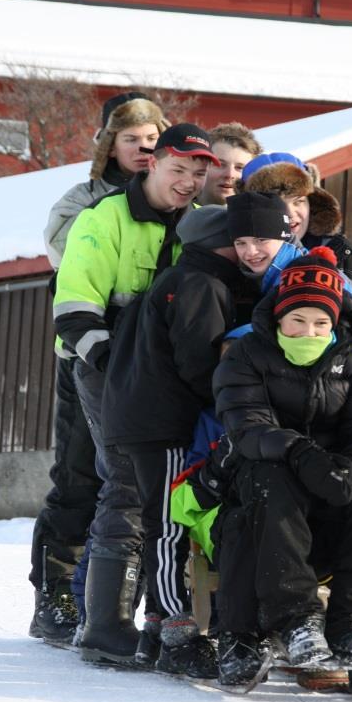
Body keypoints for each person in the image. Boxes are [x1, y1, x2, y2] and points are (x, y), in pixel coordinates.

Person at [53, 123, 220, 665]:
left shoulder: (199, 226)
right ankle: (105, 624)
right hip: (107, 369)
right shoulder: (103, 220)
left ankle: (156, 615)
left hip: (170, 377)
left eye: (198, 174)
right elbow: (74, 309)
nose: (188, 182)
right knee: (126, 479)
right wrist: (118, 365)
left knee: (168, 489)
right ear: (154, 164)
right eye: (179, 170)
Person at [211, 246, 352, 692]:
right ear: (280, 317)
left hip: (332, 489)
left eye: (321, 322)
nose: (309, 331)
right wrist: (303, 453)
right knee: (270, 476)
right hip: (264, 484)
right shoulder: (245, 357)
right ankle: (297, 619)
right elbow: (248, 427)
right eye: (298, 320)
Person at [29, 93, 169, 644]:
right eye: (131, 138)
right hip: (87, 357)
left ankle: (115, 598)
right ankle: (55, 593)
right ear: (109, 143)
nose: (142, 148)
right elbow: (73, 265)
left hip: (153, 365)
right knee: (79, 475)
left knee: (134, 482)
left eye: (151, 139)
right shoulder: (83, 202)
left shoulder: (178, 200)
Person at [98, 206, 247, 676]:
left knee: (165, 519)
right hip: (162, 424)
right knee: (167, 523)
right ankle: (178, 632)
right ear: (221, 242)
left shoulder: (176, 278)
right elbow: (199, 363)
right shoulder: (201, 285)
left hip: (146, 419)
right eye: (237, 240)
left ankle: (156, 630)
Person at [224, 191, 352, 417]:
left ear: (283, 236)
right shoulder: (273, 274)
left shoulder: (308, 276)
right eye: (240, 242)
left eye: (261, 240)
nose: (250, 252)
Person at [240, 152, 352, 342]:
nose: (290, 213)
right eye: (278, 203)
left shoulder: (351, 263)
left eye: (299, 201)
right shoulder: (236, 258)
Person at [197, 122, 263, 206]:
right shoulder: (177, 212)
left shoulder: (261, 217)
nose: (229, 174)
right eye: (220, 164)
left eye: (239, 167)